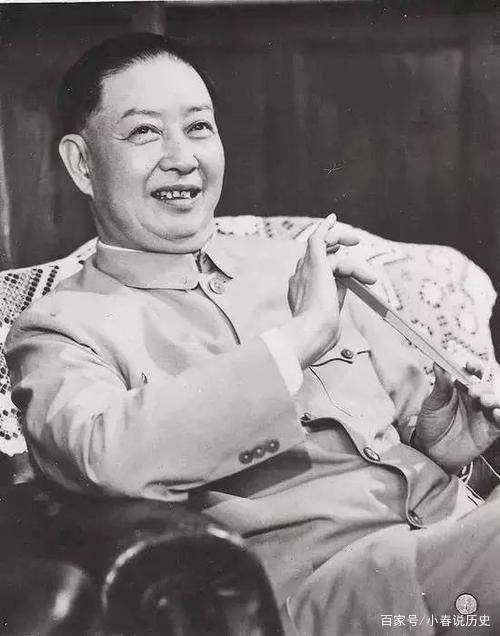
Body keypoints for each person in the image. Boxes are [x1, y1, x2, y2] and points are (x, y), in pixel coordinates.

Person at [5, 33, 500, 635]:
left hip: (456, 544)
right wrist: (300, 340)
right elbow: (103, 455)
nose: (182, 157)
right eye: (144, 132)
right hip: (324, 594)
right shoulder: (60, 327)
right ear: (82, 164)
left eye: (199, 127)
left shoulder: (297, 263)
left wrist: (455, 434)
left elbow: (419, 423)